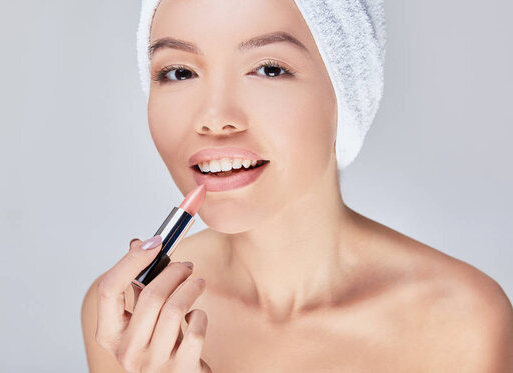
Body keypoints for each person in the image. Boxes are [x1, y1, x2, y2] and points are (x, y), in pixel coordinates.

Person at [81, 0, 513, 371]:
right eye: (178, 72)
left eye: (268, 69)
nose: (213, 117)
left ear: (347, 86)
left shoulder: (462, 321)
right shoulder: (128, 314)